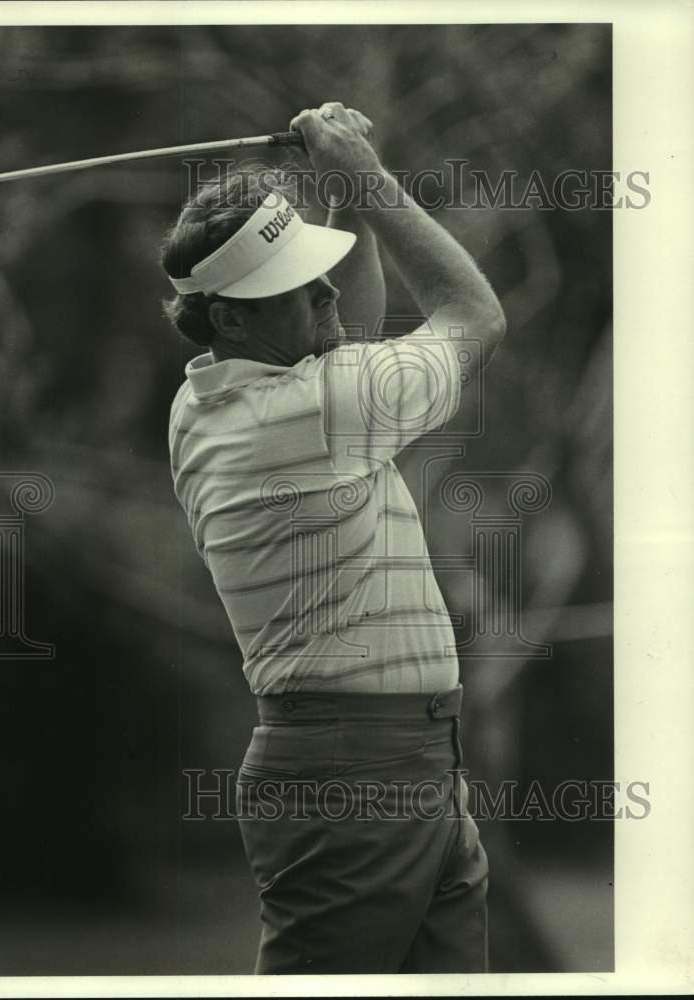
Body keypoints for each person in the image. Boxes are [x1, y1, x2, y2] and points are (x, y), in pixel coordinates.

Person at [160, 102, 506, 974]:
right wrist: (362, 177)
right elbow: (473, 315)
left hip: (403, 760)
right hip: (351, 773)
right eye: (298, 286)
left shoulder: (214, 395)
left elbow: (337, 330)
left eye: (319, 273)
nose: (324, 293)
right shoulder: (310, 410)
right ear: (233, 319)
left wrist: (338, 206)